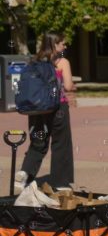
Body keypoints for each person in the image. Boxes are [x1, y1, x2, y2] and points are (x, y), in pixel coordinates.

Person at [17, 32, 76, 190]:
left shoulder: (34, 61)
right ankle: (61, 182)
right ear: (55, 45)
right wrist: (73, 87)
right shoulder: (62, 62)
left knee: (38, 143)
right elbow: (69, 86)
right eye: (62, 44)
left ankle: (24, 174)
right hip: (58, 108)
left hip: (36, 109)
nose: (65, 47)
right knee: (61, 143)